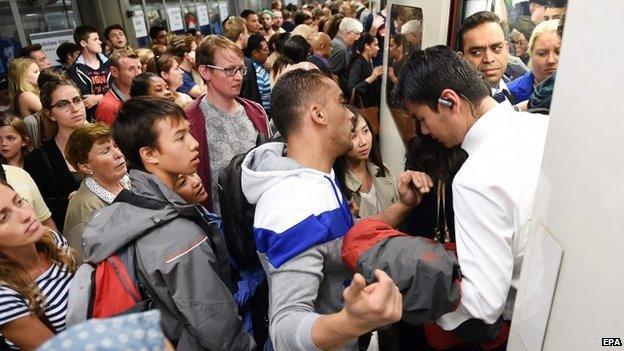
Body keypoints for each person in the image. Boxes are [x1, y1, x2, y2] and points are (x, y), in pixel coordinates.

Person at [241, 68, 431, 350]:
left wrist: (403, 206)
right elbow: (285, 323)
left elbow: (348, 237)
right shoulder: (293, 205)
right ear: (318, 115)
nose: (351, 114)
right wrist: (350, 323)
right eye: (341, 102)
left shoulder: (316, 177)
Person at [397, 45, 548, 339]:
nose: (424, 131)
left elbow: (483, 303)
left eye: (422, 118)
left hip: (525, 325)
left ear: (450, 102)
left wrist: (405, 301)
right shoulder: (542, 126)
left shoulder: (474, 180)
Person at [85, 96, 255, 350]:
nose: (194, 143)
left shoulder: (125, 209)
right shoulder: (179, 236)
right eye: (180, 137)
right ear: (149, 154)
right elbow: (217, 326)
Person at [185, 35, 270, 214]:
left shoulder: (256, 112)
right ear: (205, 71)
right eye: (230, 70)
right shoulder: (189, 121)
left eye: (241, 69)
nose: (239, 77)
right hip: (220, 225)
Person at [0, 179, 75, 350]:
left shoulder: (52, 240)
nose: (25, 215)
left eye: (19, 201)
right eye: (4, 217)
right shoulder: (4, 296)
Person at [23, 79, 85, 233]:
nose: (75, 108)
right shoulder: (37, 161)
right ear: (50, 114)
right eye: (63, 104)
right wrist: (69, 202)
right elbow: (41, 214)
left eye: (77, 100)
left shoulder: (108, 141)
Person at [63, 122, 128, 264]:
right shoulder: (84, 212)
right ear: (86, 167)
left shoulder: (130, 179)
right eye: (105, 151)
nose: (118, 154)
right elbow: (86, 266)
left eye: (115, 146)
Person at [335, 106, 397, 218]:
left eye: (365, 131)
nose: (363, 142)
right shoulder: (338, 184)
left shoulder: (381, 169)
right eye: (353, 136)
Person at [459, 12, 513, 104]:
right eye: (476, 52)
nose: (488, 59)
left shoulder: (513, 94)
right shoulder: (457, 105)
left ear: (507, 49)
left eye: (496, 48)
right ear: (461, 58)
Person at [508, 19, 560, 105]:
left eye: (559, 52)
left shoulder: (583, 92)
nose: (551, 60)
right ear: (530, 54)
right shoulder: (509, 93)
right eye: (542, 53)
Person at [67, 25, 110, 121]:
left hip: (116, 113)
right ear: (83, 43)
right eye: (95, 39)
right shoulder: (74, 71)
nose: (100, 42)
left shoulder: (110, 63)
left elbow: (119, 89)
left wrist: (99, 97)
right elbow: (86, 100)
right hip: (93, 120)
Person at [94, 48, 142, 124]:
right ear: (114, 72)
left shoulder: (141, 94)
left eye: (139, 68)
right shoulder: (107, 107)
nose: (138, 73)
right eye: (131, 69)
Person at [329, 17, 363, 96]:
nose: (358, 37)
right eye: (356, 34)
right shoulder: (340, 49)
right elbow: (332, 75)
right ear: (346, 33)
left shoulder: (340, 46)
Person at [348, 33, 382, 108]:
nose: (378, 48)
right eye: (375, 45)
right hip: (363, 108)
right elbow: (352, 88)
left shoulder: (369, 60)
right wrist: (372, 78)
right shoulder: (357, 63)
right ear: (367, 46)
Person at [243, 34, 272, 114]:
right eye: (265, 50)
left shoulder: (260, 67)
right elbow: (255, 100)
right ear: (255, 53)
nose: (268, 52)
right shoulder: (256, 73)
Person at [170, 35, 206, 99]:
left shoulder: (191, 70)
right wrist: (201, 63)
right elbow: (202, 93)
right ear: (187, 55)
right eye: (195, 50)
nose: (198, 53)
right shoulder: (182, 76)